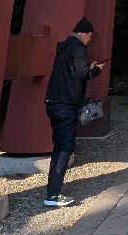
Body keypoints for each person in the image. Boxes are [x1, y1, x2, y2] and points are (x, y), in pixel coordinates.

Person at [44, 17, 106, 208]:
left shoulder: (63, 48)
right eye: (89, 36)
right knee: (65, 147)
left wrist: (89, 68)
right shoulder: (79, 48)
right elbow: (82, 72)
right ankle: (53, 194)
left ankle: (53, 188)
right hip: (66, 104)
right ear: (84, 34)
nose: (89, 40)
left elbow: (74, 71)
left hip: (53, 101)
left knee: (58, 145)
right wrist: (96, 71)